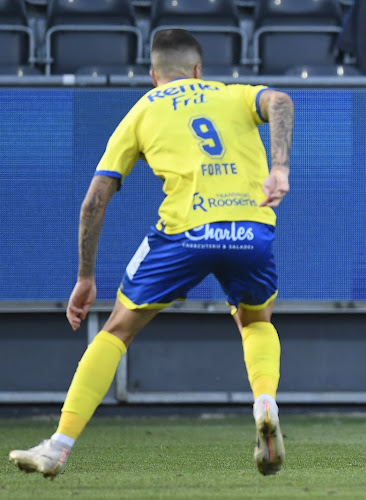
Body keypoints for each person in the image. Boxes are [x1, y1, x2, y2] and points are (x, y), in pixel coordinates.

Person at [9, 29, 293, 478]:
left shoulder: (142, 110)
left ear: (152, 75)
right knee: (256, 322)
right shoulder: (231, 94)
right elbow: (280, 101)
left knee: (117, 330)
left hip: (184, 233)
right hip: (250, 228)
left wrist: (85, 276)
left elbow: (94, 200)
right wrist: (278, 167)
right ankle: (265, 403)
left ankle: (58, 446)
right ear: (199, 70)